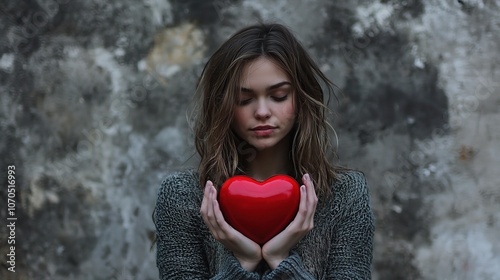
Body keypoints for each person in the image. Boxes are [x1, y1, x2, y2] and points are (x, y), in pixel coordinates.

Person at [153, 22, 374, 279]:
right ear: (224, 106)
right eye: (244, 99)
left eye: (279, 96)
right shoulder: (183, 197)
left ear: (301, 100)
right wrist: (243, 261)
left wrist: (280, 260)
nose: (261, 112)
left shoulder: (346, 196)